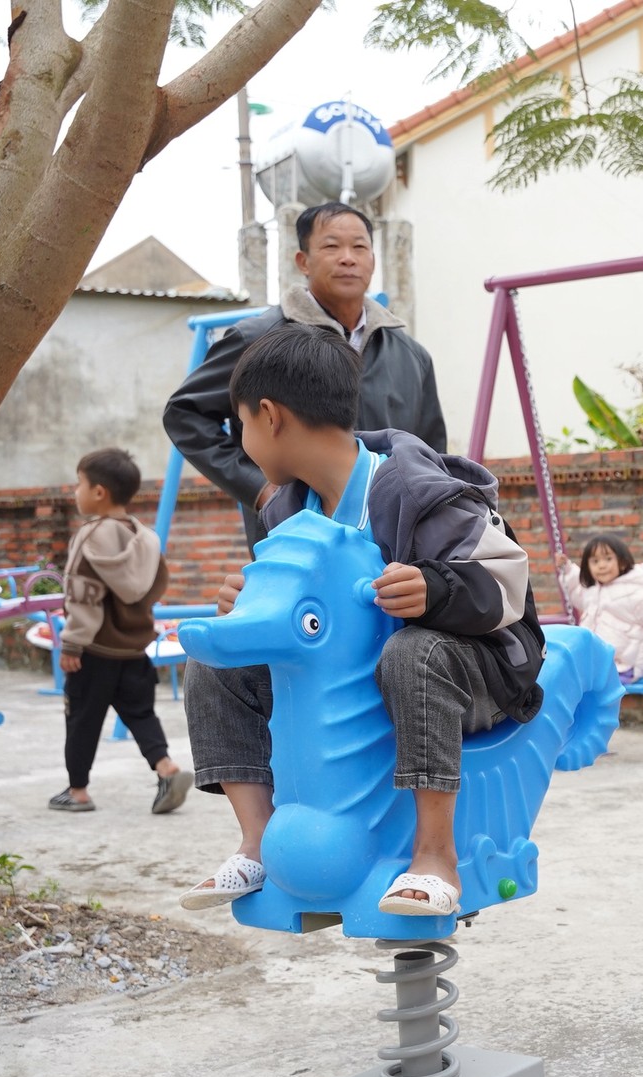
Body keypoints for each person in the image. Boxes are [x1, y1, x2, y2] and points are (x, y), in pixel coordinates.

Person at [177, 325, 544, 918]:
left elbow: (507, 584)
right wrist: (247, 603)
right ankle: (259, 842)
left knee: (415, 654)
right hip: (356, 677)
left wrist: (436, 586)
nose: (240, 440)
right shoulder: (285, 506)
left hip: (474, 671)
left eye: (238, 423)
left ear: (269, 417)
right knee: (216, 664)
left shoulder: (412, 488)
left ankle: (435, 856)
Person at [163, 202, 448, 549]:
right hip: (293, 540)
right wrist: (259, 488)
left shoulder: (411, 356)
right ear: (303, 261)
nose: (348, 258)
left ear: (373, 260)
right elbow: (184, 413)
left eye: (360, 247)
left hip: (389, 544)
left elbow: (430, 453)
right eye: (331, 246)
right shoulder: (257, 339)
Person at [50, 448, 193, 815]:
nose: (74, 491)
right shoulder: (143, 537)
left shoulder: (90, 536)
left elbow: (82, 596)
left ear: (99, 492)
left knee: (82, 718)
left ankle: (78, 790)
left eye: (79, 483)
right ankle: (167, 768)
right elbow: (156, 586)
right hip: (134, 649)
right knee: (141, 714)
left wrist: (72, 645)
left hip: (95, 651)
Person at [556, 532, 643, 682]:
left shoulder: (636, 589)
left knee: (590, 684)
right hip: (600, 662)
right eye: (595, 561)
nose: (601, 566)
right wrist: (567, 570)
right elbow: (576, 591)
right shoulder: (593, 590)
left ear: (622, 562)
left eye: (608, 559)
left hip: (629, 664)